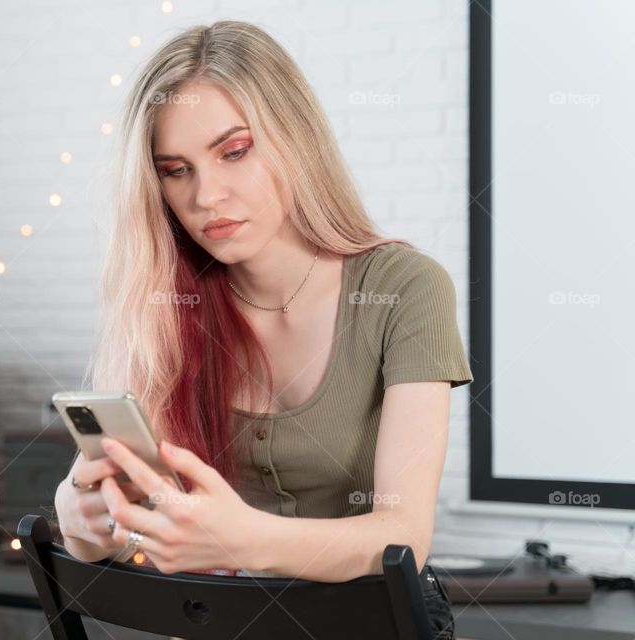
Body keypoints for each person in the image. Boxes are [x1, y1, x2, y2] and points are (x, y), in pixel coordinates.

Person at [53, 20, 468, 639]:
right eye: (175, 170)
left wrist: (241, 540)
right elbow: (140, 530)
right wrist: (84, 523)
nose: (206, 197)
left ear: (294, 137)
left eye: (234, 151)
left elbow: (402, 536)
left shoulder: (407, 288)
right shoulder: (165, 303)